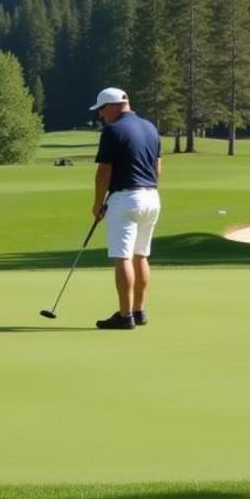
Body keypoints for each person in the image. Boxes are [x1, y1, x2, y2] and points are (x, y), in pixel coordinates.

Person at [90, 86, 161, 330]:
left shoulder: (112, 130)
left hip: (126, 199)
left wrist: (98, 203)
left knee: (123, 257)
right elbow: (157, 169)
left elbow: (104, 172)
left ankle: (125, 315)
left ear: (111, 107)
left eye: (101, 110)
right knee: (141, 255)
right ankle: (139, 311)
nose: (101, 116)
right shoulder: (150, 127)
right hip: (152, 197)